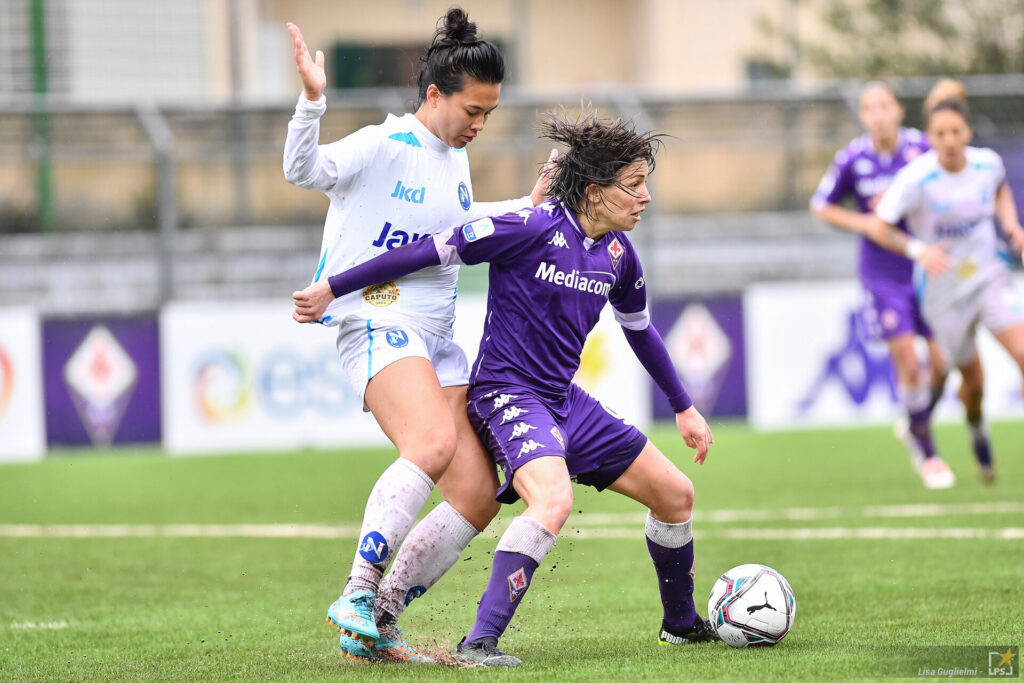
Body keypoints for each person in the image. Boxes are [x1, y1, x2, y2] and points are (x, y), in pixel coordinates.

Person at [294, 110, 720, 667]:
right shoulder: (530, 227)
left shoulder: (618, 254)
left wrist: (684, 408)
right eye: (634, 185)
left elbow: (641, 332)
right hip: (507, 395)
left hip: (564, 401)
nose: (645, 198)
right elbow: (429, 250)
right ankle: (479, 642)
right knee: (552, 500)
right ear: (595, 191)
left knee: (677, 495)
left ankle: (681, 625)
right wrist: (334, 287)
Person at [283, 8, 553, 662]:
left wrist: (528, 205)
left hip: (438, 338)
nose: (480, 125)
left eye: (490, 113)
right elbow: (305, 171)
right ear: (435, 95)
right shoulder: (385, 144)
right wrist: (312, 102)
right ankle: (357, 589)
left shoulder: (453, 158)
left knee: (477, 495)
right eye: (473, 110)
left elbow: (454, 225)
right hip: (376, 320)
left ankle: (377, 620)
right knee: (429, 442)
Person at [864, 96, 1024, 484]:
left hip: (988, 279)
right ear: (929, 137)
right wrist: (918, 250)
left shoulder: (987, 164)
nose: (949, 140)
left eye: (956, 131)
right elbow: (879, 227)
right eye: (940, 133)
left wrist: (1012, 226)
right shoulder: (916, 178)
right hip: (943, 296)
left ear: (967, 132)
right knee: (974, 383)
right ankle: (977, 431)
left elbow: (1000, 189)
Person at [811, 81, 952, 488]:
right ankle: (929, 456)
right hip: (882, 275)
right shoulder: (854, 157)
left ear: (899, 111)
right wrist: (864, 224)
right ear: (863, 115)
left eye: (884, 106)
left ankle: (914, 422)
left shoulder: (923, 150)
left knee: (942, 363)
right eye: (870, 108)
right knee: (908, 361)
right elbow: (821, 205)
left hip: (929, 268)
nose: (878, 114)